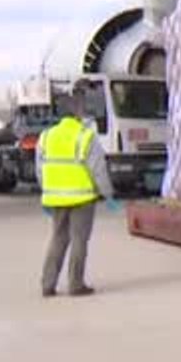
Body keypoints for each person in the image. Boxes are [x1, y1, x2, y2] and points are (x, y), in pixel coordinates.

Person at [36, 82, 119, 298]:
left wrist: (46, 193)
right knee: (79, 240)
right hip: (82, 198)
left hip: (55, 199)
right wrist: (108, 194)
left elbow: (40, 169)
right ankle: (75, 285)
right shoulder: (85, 136)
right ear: (77, 116)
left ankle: (48, 284)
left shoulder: (46, 137)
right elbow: (98, 169)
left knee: (58, 239)